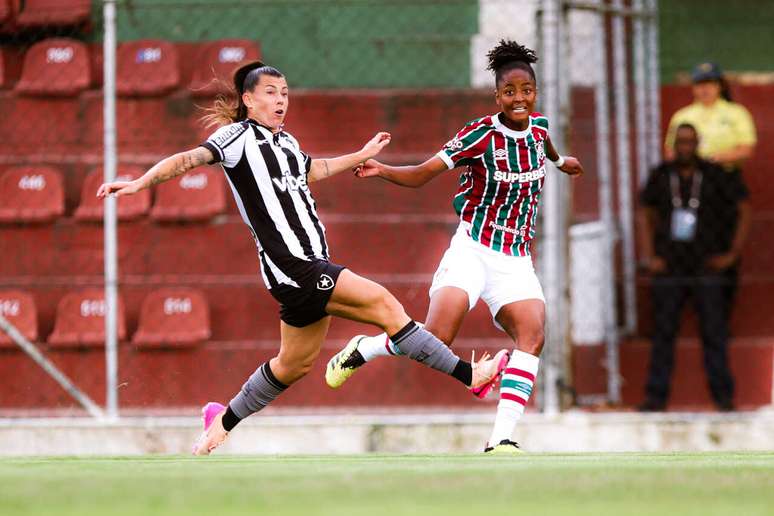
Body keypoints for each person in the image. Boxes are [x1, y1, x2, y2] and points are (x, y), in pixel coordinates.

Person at [96, 60, 507, 455]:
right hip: (295, 267)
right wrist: (140, 182)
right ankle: (470, 376)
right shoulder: (235, 138)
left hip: (304, 269)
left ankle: (219, 424)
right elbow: (188, 159)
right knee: (385, 304)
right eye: (271, 93)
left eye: (286, 93)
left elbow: (316, 169)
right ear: (249, 100)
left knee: (291, 366)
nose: (281, 100)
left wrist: (361, 155)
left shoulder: (287, 142)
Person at [324, 40, 584, 454]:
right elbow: (423, 173)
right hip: (472, 249)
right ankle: (366, 348)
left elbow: (548, 147)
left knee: (532, 334)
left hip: (515, 258)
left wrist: (560, 162)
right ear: (497, 96)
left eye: (526, 91)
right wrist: (382, 170)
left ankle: (502, 440)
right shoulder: (478, 136)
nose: (519, 99)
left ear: (535, 93)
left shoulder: (540, 129)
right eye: (510, 92)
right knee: (437, 337)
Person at [637, 123, 751, 412]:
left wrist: (732, 254)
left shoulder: (714, 176)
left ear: (698, 143)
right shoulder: (661, 175)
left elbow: (744, 209)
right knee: (663, 333)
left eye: (691, 141)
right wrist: (651, 255)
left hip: (706, 265)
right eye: (680, 141)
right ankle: (655, 397)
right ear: (673, 144)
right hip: (670, 265)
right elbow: (645, 213)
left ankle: (723, 398)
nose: (685, 146)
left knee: (714, 332)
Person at [664, 62, 757, 308]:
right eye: (700, 84)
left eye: (710, 84)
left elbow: (746, 148)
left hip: (723, 183)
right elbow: (670, 151)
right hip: (688, 184)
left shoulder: (735, 113)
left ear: (719, 86)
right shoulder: (684, 116)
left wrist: (712, 160)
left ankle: (724, 298)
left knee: (723, 239)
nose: (705, 90)